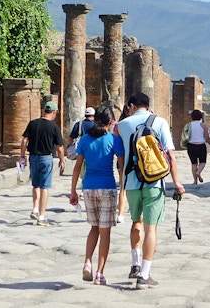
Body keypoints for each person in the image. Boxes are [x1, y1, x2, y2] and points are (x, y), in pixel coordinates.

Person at [117, 92, 185, 289]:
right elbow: (170, 155)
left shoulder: (122, 125)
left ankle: (135, 264)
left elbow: (120, 154)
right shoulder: (160, 122)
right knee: (151, 228)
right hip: (154, 182)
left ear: (131, 106)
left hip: (131, 182)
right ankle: (145, 274)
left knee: (136, 222)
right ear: (148, 105)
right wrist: (177, 182)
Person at [69, 104, 125, 286]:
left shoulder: (85, 140)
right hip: (107, 187)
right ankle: (100, 273)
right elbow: (122, 168)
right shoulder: (113, 140)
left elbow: (77, 167)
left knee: (93, 227)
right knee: (105, 231)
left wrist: (73, 191)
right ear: (110, 121)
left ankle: (87, 262)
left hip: (88, 187)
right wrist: (123, 188)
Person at [19, 101, 65, 226]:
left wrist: (22, 156)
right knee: (45, 187)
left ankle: (35, 209)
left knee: (36, 185)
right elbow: (59, 147)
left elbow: (24, 141)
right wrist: (62, 160)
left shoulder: (33, 123)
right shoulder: (54, 127)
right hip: (46, 158)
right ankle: (42, 216)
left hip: (33, 157)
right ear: (54, 112)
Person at [185, 110, 210, 185]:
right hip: (201, 145)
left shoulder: (188, 125)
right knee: (203, 162)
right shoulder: (203, 125)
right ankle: (198, 172)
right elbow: (206, 136)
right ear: (200, 117)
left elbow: (185, 136)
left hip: (191, 146)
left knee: (194, 164)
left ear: (191, 117)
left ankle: (195, 181)